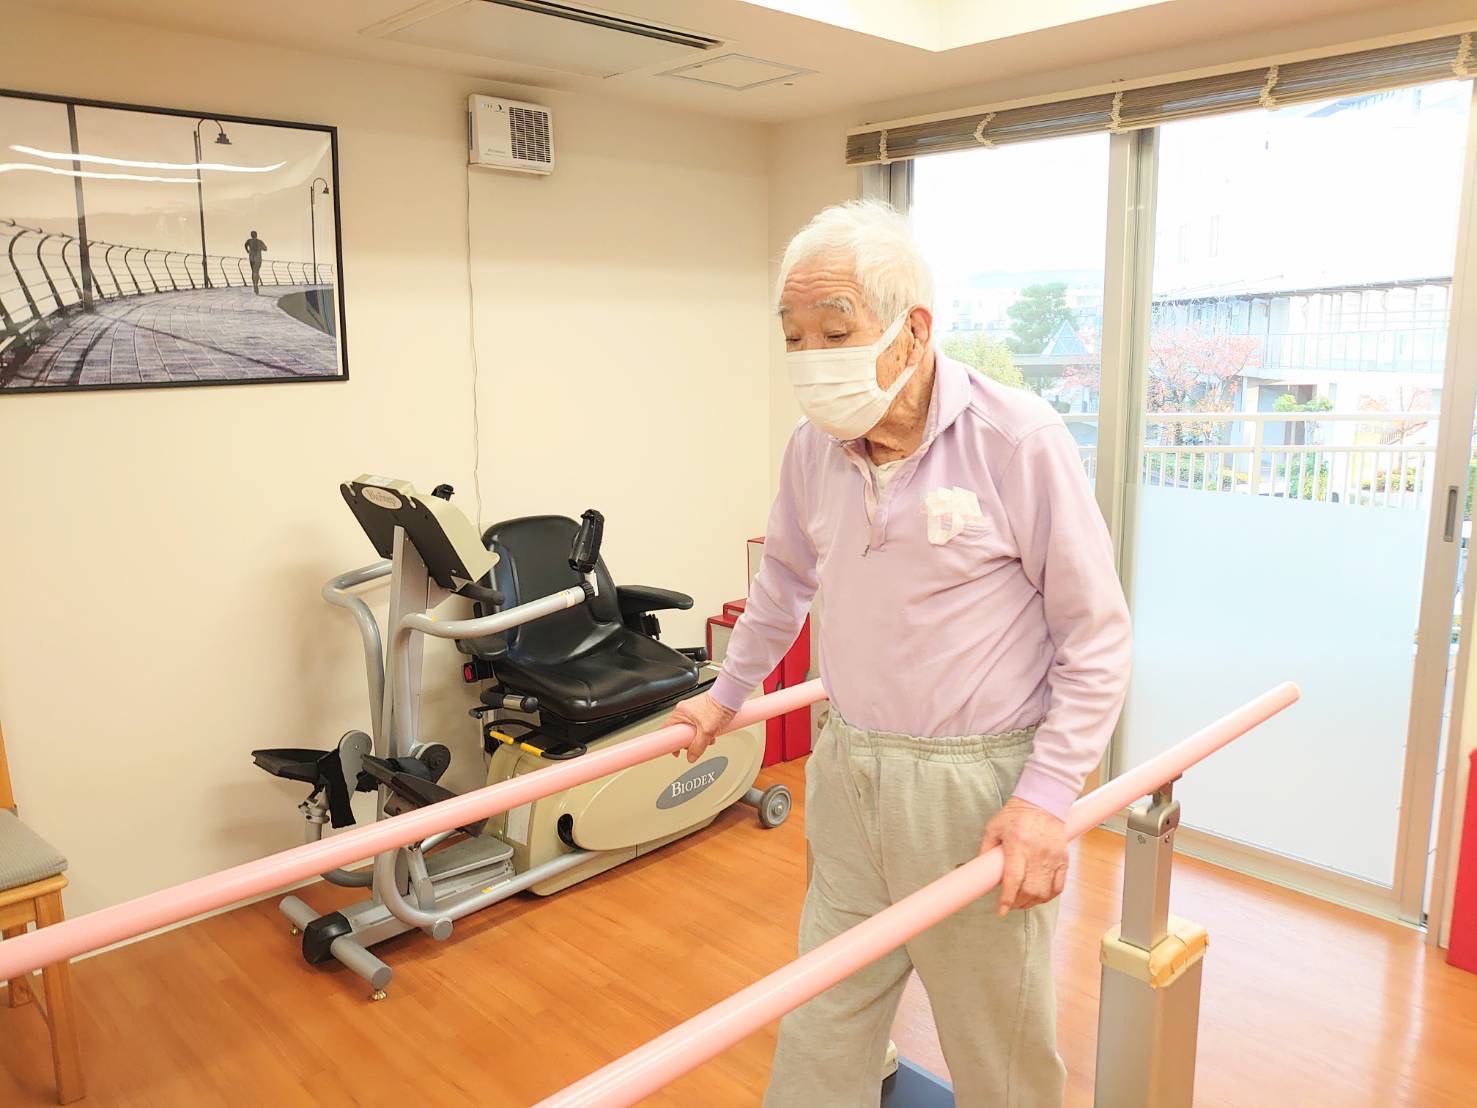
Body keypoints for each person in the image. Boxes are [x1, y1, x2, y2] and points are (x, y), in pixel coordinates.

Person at [668, 200, 1132, 1107]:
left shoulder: (1015, 440)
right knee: (823, 1015)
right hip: (849, 767)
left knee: (995, 1041)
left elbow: (1095, 635)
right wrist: (725, 694)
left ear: (912, 331)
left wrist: (1044, 801)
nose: (810, 357)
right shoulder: (812, 450)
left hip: (976, 786)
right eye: (793, 336)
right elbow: (783, 582)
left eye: (834, 331)